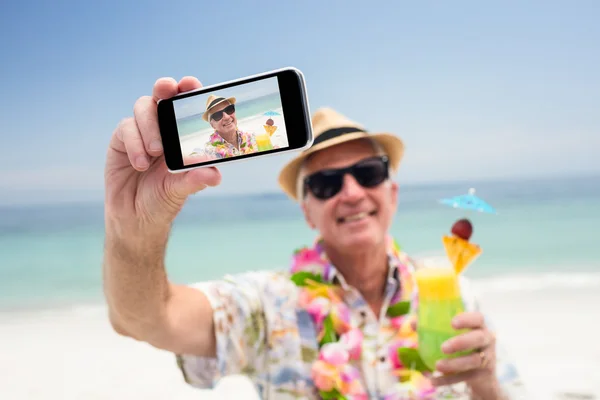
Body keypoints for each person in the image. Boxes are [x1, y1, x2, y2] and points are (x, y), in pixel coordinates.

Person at [103, 76, 527, 399]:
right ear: (307, 210)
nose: (352, 192)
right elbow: (144, 319)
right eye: (326, 184)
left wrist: (487, 386)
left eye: (368, 173)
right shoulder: (267, 305)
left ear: (392, 193)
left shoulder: (452, 293)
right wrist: (134, 226)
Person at [188, 94, 258, 160]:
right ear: (212, 125)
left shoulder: (251, 138)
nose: (227, 117)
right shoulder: (210, 152)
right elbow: (196, 155)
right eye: (217, 115)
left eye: (229, 109)